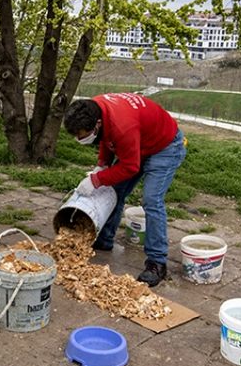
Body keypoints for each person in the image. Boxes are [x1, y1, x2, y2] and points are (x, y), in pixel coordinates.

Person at [64, 93, 186, 287]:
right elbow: (106, 138)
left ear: (96, 124)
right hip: (138, 141)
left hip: (165, 146)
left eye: (82, 134)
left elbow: (130, 166)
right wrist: (102, 164)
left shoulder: (123, 125)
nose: (79, 139)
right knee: (114, 191)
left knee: (151, 200)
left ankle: (157, 263)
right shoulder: (97, 108)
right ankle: (104, 239)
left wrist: (97, 179)